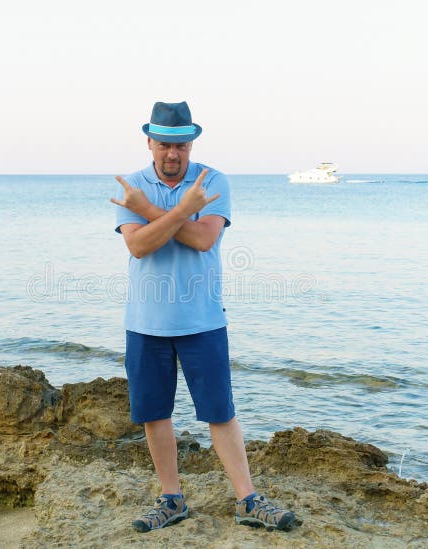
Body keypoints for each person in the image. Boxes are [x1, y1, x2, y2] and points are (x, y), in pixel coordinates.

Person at [110, 101, 296, 533]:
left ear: (191, 143)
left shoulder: (213, 182)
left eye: (180, 145)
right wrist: (179, 211)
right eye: (164, 144)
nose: (172, 153)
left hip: (203, 321)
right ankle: (171, 499)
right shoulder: (131, 185)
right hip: (145, 323)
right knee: (155, 414)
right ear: (149, 142)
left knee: (220, 412)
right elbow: (139, 246)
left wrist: (157, 212)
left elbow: (202, 239)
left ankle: (247, 500)